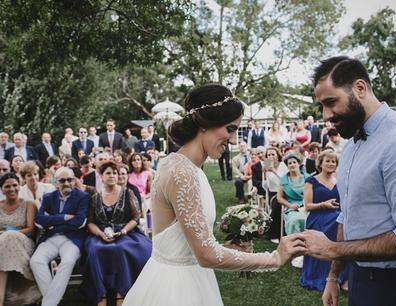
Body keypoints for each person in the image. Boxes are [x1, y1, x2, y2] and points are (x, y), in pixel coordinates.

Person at [123, 84, 307, 306]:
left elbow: (190, 247)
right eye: (230, 129)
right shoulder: (182, 172)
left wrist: (230, 250)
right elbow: (206, 255)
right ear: (204, 124)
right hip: (175, 289)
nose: (232, 140)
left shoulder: (186, 167)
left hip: (192, 276)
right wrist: (273, 258)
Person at [302, 56, 396, 306]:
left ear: (360, 88)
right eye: (322, 105)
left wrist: (333, 249)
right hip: (361, 278)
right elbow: (348, 214)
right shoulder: (352, 143)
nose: (326, 115)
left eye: (331, 102)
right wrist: (333, 276)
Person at [78, 161, 151, 306]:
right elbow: (90, 222)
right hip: (100, 234)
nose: (112, 175)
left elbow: (135, 218)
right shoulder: (95, 197)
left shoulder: (127, 193)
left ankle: (121, 293)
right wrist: (100, 234)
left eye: (115, 173)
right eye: (108, 173)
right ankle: (102, 294)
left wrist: (123, 231)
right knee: (96, 250)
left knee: (120, 249)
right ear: (101, 176)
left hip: (127, 233)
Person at [30, 167, 89, 306]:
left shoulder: (82, 197)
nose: (67, 183)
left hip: (72, 240)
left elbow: (79, 221)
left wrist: (52, 221)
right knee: (35, 261)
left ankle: (48, 303)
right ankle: (53, 301)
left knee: (68, 261)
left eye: (69, 179)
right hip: (51, 238)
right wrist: (64, 217)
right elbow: (39, 219)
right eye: (62, 180)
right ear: (56, 182)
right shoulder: (48, 197)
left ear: (74, 181)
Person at [300, 150, 348, 291]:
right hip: (318, 217)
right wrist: (324, 204)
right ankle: (323, 276)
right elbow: (307, 206)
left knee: (346, 227)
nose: (331, 164)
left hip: (337, 216)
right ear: (320, 163)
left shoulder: (339, 180)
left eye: (334, 161)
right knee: (339, 225)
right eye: (327, 160)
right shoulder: (311, 181)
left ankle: (343, 276)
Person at [0, 173, 41, 305]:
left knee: (9, 236)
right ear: (2, 189)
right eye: (7, 186)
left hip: (24, 244)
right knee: (6, 240)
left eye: (14, 185)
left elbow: (30, 229)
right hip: (1, 245)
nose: (11, 189)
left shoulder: (29, 204)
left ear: (20, 186)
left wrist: (8, 233)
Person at [277, 154, 309, 236]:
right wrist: (290, 205)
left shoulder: (308, 178)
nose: (292, 165)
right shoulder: (283, 180)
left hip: (307, 206)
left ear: (298, 164)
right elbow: (279, 198)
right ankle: (295, 244)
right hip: (292, 208)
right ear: (287, 166)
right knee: (296, 220)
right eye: (289, 163)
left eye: (294, 162)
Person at [263, 147, 288, 243]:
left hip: (285, 192)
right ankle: (274, 233)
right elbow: (267, 185)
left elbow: (285, 181)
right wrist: (265, 174)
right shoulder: (267, 164)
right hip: (273, 193)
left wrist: (274, 170)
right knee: (277, 203)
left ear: (278, 156)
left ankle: (272, 230)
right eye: (268, 155)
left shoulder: (283, 165)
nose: (270, 156)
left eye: (273, 154)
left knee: (279, 202)